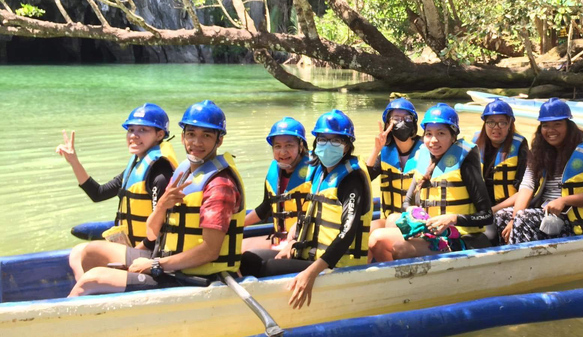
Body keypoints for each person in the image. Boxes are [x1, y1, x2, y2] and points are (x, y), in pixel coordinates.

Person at [68, 100, 245, 296]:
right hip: (167, 261)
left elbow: (210, 251)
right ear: (182, 137)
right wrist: (161, 206)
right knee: (88, 253)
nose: (196, 142)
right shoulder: (182, 173)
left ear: (219, 140)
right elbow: (152, 232)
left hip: (196, 276)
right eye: (191, 134)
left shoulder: (219, 185)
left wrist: (155, 263)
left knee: (91, 281)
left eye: (206, 136)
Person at [240, 110, 372, 310]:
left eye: (336, 141)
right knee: (247, 260)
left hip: (335, 264)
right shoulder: (319, 172)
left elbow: (347, 233)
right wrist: (291, 244)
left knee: (266, 268)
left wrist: (311, 273)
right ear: (315, 143)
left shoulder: (351, 180)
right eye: (322, 140)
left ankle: (276, 309)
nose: (328, 146)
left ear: (347, 145)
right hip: (309, 254)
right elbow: (306, 215)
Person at [56, 103, 177, 280]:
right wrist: (74, 161)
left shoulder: (160, 173)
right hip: (135, 246)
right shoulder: (137, 165)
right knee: (76, 253)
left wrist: (136, 250)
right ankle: (91, 296)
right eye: (131, 130)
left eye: (142, 130)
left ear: (159, 135)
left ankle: (95, 290)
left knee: (90, 251)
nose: (134, 136)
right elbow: (98, 193)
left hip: (152, 254)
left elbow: (163, 228)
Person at [367, 103, 493, 261]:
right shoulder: (424, 158)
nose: (433, 140)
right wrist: (414, 211)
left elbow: (487, 215)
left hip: (461, 237)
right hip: (430, 232)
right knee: (380, 233)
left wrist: (453, 219)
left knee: (399, 247)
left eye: (441, 133)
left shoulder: (465, 161)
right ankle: (392, 281)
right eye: (428, 134)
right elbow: (406, 203)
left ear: (453, 136)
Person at [499, 98, 583, 244]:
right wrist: (513, 219)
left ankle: (526, 263)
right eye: (545, 125)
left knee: (524, 218)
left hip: (570, 218)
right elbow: (526, 186)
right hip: (544, 212)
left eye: (557, 124)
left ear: (569, 126)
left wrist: (564, 200)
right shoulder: (539, 153)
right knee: (503, 216)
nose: (551, 130)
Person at [242, 117, 312, 251]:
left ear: (301, 146)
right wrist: (237, 224)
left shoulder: (315, 172)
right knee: (235, 248)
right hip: (279, 239)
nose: (283, 152)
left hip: (301, 243)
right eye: (277, 146)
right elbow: (265, 208)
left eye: (289, 145)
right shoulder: (274, 173)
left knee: (246, 257)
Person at [473, 99, 528, 245]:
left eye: (502, 122)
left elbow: (525, 189)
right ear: (484, 124)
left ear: (510, 124)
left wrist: (493, 210)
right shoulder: (474, 145)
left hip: (506, 208)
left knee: (489, 235)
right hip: (479, 208)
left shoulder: (520, 146)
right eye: (490, 122)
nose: (496, 128)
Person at [366, 98, 423, 233]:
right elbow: (363, 179)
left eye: (407, 118)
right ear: (388, 124)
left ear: (414, 123)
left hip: (417, 220)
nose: (402, 122)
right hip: (389, 219)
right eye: (396, 118)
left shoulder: (426, 151)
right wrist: (376, 149)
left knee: (390, 223)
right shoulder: (386, 154)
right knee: (366, 232)